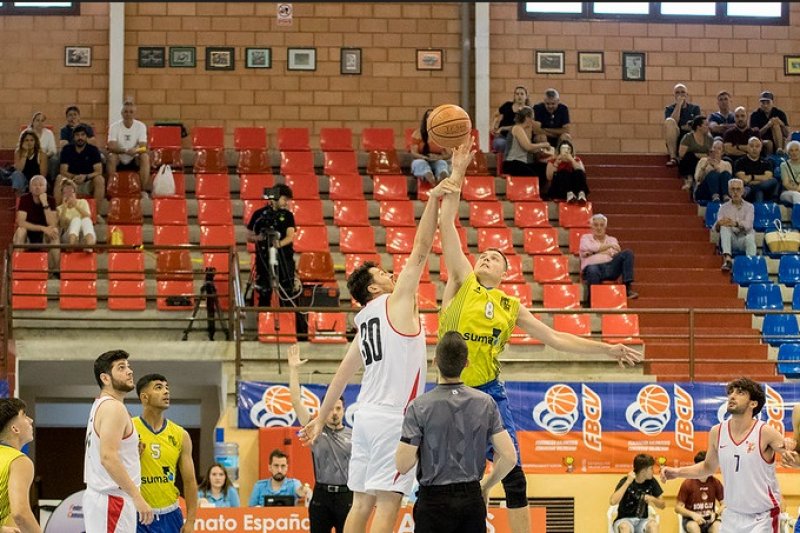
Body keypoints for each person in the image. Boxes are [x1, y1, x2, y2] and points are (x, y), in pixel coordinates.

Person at [437, 150, 642, 533]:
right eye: (483, 255)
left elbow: (556, 338)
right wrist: (459, 172)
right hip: (450, 391)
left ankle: (490, 494)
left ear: (505, 272)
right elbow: (447, 223)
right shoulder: (463, 283)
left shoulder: (510, 306)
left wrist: (607, 348)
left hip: (488, 393)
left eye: (494, 257)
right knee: (448, 478)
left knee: (514, 473)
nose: (486, 258)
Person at [298, 156, 465, 533]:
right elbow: (421, 249)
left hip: (365, 417)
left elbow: (341, 375)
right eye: (382, 274)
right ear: (374, 288)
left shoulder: (363, 321)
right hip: (393, 418)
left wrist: (322, 417)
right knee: (388, 506)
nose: (391, 274)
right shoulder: (395, 302)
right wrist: (433, 200)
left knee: (361, 503)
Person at [395, 331, 517, 533]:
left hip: (433, 502)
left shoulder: (419, 407)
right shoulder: (486, 403)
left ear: (435, 361)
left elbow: (402, 464)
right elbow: (510, 457)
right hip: (470, 499)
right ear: (466, 363)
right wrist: (486, 486)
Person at [661, 377, 795, 533]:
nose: (732, 396)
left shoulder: (765, 432)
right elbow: (707, 467)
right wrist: (677, 472)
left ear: (753, 403)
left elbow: (795, 460)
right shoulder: (717, 432)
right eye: (731, 392)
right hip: (731, 516)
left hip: (762, 518)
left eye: (740, 393)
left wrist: (793, 445)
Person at [83, 350, 154, 532]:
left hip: (106, 497)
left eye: (129, 367)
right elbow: (108, 457)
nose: (129, 371)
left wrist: (131, 453)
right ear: (105, 378)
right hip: (112, 499)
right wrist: (137, 496)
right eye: (121, 368)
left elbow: (107, 451)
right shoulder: (113, 408)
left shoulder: (101, 404)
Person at [288, 344, 352, 533]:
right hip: (321, 496)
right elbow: (295, 401)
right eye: (330, 407)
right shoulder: (313, 429)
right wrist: (293, 370)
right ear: (323, 408)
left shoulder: (354, 435)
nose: (334, 413)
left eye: (338, 408)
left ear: (344, 410)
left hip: (346, 496)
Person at [132, 373, 198, 532]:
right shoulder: (129, 429)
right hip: (137, 514)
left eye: (167, 387)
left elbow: (189, 482)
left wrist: (190, 521)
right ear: (144, 397)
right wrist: (131, 457)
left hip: (170, 515)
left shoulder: (180, 435)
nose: (166, 392)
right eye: (159, 388)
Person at [246, 184, 296, 307]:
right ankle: (264, 320)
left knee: (287, 292)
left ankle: (289, 322)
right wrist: (260, 238)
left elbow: (290, 236)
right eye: (284, 199)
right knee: (264, 292)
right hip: (264, 259)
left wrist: (278, 244)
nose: (286, 203)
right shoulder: (258, 214)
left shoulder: (288, 215)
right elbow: (249, 236)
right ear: (275, 198)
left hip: (284, 258)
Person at [0, 399, 41, 533]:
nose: (30, 420)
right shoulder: (19, 461)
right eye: (24, 415)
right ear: (15, 428)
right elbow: (21, 515)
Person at [580, 214, 638, 305]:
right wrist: (608, 247)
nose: (599, 228)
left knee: (627, 253)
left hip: (610, 267)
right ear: (591, 227)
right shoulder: (585, 238)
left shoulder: (612, 239)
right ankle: (592, 300)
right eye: (596, 225)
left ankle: (627, 287)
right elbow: (589, 247)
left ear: (605, 227)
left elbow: (616, 251)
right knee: (592, 269)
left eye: (601, 225)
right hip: (592, 269)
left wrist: (594, 252)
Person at [13, 175, 59, 272]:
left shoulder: (51, 200)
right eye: (35, 185)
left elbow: (52, 223)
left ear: (46, 188)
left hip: (44, 235)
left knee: (54, 231)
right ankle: (17, 268)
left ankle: (56, 270)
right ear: (30, 188)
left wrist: (45, 203)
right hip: (29, 233)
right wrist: (42, 228)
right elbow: (21, 222)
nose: (38, 187)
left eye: (41, 185)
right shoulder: (25, 199)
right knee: (21, 231)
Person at [609, 454, 665, 533]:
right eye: (651, 468)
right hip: (624, 520)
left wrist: (652, 499)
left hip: (642, 520)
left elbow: (662, 505)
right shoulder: (626, 480)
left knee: (653, 525)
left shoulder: (652, 481)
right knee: (625, 527)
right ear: (643, 471)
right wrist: (627, 482)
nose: (653, 471)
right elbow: (612, 501)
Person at [107, 101, 151, 196]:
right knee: (111, 157)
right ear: (122, 113)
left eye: (131, 112)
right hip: (120, 157)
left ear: (134, 113)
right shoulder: (114, 126)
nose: (128, 114)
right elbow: (111, 146)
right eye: (126, 111)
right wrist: (125, 150)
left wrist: (135, 150)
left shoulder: (141, 126)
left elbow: (143, 147)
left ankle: (142, 190)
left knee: (145, 157)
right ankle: (111, 189)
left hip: (134, 157)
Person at [675, 451, 724, 533]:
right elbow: (678, 508)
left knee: (718, 527)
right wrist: (693, 515)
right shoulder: (688, 483)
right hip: (692, 520)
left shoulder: (715, 482)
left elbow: (725, 504)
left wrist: (716, 514)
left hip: (710, 520)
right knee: (694, 528)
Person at [56, 125, 105, 206]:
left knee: (100, 179)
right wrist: (74, 177)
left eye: (82, 135)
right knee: (59, 178)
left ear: (86, 137)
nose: (80, 137)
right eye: (77, 135)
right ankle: (57, 212)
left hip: (88, 182)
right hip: (70, 182)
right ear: (73, 137)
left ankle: (96, 214)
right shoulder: (66, 149)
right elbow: (63, 170)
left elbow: (98, 171)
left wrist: (86, 177)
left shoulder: (93, 150)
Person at [714, 179, 755, 271]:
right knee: (724, 227)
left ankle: (751, 265)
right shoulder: (723, 208)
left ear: (743, 191)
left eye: (738, 189)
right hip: (731, 240)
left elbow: (748, 225)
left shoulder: (750, 207)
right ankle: (728, 260)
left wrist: (735, 223)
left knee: (750, 237)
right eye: (732, 189)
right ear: (729, 191)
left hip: (743, 238)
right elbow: (716, 229)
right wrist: (719, 224)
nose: (735, 192)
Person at [503, 106, 553, 180]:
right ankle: (532, 189)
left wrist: (542, 150)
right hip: (513, 163)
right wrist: (544, 144)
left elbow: (531, 150)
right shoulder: (517, 128)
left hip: (522, 163)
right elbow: (528, 147)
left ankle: (540, 190)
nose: (533, 121)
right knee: (533, 176)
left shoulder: (524, 130)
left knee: (543, 168)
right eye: (532, 118)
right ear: (527, 118)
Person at [410, 108, 452, 185]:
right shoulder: (418, 133)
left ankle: (441, 177)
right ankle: (432, 181)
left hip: (437, 159)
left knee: (442, 163)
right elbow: (413, 152)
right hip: (422, 159)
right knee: (420, 163)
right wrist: (424, 157)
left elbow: (449, 154)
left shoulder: (443, 135)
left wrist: (439, 157)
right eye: (428, 116)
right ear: (425, 119)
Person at [664, 83, 702, 167]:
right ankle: (673, 158)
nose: (680, 95)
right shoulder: (669, 109)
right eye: (677, 92)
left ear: (687, 94)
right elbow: (673, 121)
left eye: (682, 92)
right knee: (669, 121)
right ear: (674, 95)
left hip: (690, 137)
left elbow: (699, 125)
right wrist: (678, 105)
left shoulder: (695, 108)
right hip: (676, 137)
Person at [733, 137, 778, 203]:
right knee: (758, 191)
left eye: (757, 146)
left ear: (761, 148)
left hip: (763, 190)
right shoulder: (740, 162)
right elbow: (744, 180)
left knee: (774, 181)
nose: (754, 148)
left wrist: (752, 177)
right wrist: (760, 179)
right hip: (748, 193)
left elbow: (768, 177)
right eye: (751, 146)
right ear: (747, 147)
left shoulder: (767, 162)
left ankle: (755, 188)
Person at [545, 139, 589, 203]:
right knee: (564, 172)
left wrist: (572, 160)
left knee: (578, 172)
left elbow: (582, 172)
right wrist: (556, 163)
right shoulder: (553, 161)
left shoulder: (576, 160)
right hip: (559, 188)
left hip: (574, 186)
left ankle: (581, 194)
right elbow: (549, 177)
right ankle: (569, 194)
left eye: (568, 149)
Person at [490, 86, 530, 153]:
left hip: (519, 139)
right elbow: (496, 115)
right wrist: (492, 126)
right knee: (499, 144)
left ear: (526, 96)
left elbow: (519, 127)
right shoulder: (507, 105)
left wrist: (502, 128)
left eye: (522, 94)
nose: (519, 96)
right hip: (503, 137)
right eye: (517, 94)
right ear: (514, 96)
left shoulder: (528, 111)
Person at [57, 179, 96, 246]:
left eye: (71, 191)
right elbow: (62, 225)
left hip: (84, 236)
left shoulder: (83, 202)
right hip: (67, 236)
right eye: (66, 192)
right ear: (62, 194)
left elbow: (88, 217)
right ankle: (71, 245)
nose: (69, 195)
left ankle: (89, 245)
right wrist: (64, 208)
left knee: (86, 220)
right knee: (76, 220)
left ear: (75, 193)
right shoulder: (59, 208)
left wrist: (75, 205)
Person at [678, 116, 714, 189]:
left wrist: (699, 155)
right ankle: (689, 179)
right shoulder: (688, 137)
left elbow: (711, 154)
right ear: (699, 127)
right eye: (706, 125)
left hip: (703, 162)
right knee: (689, 156)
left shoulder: (709, 138)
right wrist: (698, 155)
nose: (708, 127)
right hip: (690, 162)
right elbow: (681, 154)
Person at [749, 91, 790, 156]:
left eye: (768, 102)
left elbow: (787, 134)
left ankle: (779, 150)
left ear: (772, 102)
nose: (765, 105)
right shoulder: (755, 115)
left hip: (779, 140)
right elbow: (754, 135)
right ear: (760, 103)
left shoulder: (780, 113)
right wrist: (767, 126)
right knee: (769, 143)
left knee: (776, 125)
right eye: (763, 103)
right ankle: (770, 159)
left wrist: (781, 123)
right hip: (762, 140)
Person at [694, 140, 733, 204]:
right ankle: (715, 196)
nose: (716, 150)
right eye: (714, 147)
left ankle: (726, 197)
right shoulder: (703, 160)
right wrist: (705, 166)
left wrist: (716, 167)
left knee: (725, 173)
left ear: (722, 152)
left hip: (721, 191)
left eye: (719, 148)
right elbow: (698, 179)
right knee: (713, 174)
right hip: (705, 191)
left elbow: (728, 182)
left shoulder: (727, 164)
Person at [10, 130, 47, 195]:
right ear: (22, 142)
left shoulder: (41, 154)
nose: (29, 142)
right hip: (23, 180)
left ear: (35, 142)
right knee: (16, 174)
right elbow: (19, 169)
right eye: (26, 140)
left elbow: (43, 174)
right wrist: (25, 153)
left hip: (36, 180)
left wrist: (33, 183)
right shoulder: (18, 152)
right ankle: (19, 200)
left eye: (31, 140)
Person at [779, 140, 800, 205]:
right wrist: (798, 189)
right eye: (791, 150)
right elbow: (786, 184)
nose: (794, 153)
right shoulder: (784, 165)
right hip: (787, 192)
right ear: (788, 153)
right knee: (796, 195)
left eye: (797, 150)